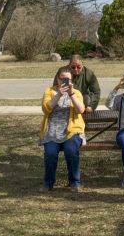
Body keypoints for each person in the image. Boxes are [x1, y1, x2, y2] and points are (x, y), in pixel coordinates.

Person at [38, 65, 85, 193]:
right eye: (62, 79)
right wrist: (59, 94)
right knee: (50, 153)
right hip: (52, 132)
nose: (65, 82)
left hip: (71, 131)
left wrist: (71, 94)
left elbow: (80, 110)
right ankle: (48, 183)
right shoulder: (50, 92)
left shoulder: (77, 93)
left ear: (72, 81)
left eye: (68, 80)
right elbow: (46, 108)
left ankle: (74, 183)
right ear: (58, 79)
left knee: (71, 150)